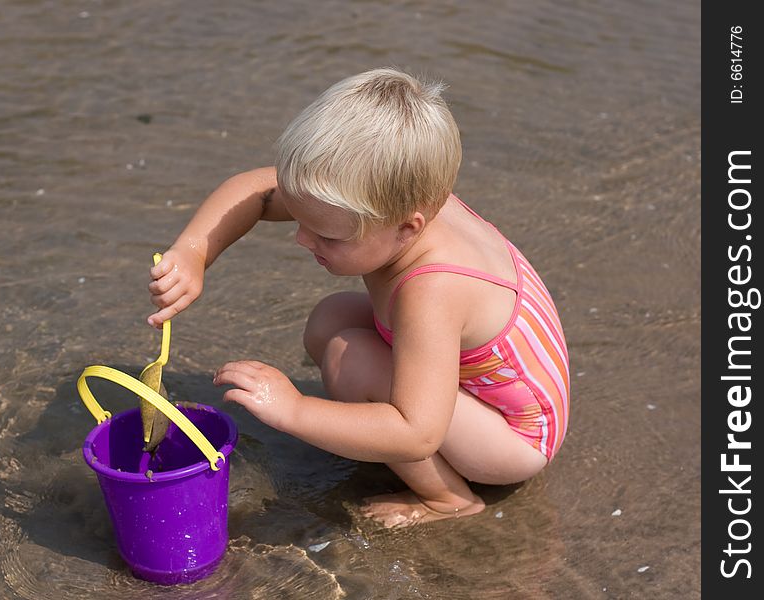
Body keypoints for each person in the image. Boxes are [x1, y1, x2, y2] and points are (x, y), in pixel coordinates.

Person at [147, 68, 570, 527]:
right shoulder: (391, 194)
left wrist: (295, 409)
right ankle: (374, 427)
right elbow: (255, 191)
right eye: (300, 219)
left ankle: (450, 499)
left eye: (326, 235)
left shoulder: (433, 289)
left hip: (515, 439)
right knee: (330, 321)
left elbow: (418, 432)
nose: (302, 239)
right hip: (476, 389)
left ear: (408, 227)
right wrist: (193, 252)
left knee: (352, 362)